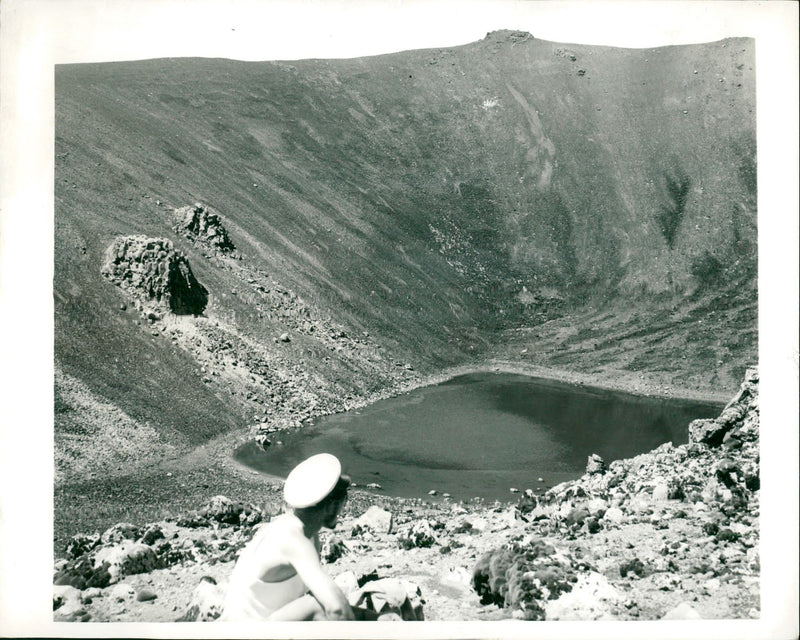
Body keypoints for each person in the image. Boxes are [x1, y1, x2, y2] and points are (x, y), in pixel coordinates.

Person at [220, 453, 370, 621]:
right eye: (344, 500)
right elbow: (335, 609)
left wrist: (371, 617)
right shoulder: (293, 540)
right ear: (331, 505)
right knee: (315, 606)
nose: (344, 508)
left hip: (262, 626)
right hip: (244, 632)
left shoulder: (305, 534)